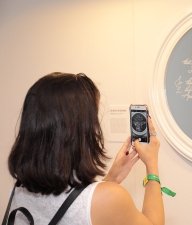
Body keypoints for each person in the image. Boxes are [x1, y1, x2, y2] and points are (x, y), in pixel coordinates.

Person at [6, 72, 165, 225]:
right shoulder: (110, 198)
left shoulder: (18, 191)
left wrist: (110, 180)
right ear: (81, 129)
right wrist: (152, 167)